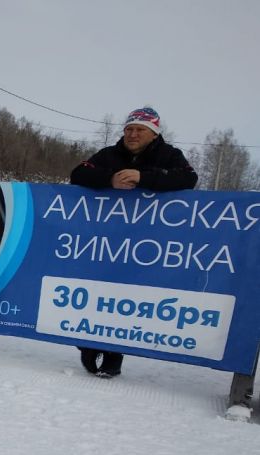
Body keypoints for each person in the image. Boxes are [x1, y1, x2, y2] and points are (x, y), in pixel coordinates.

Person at [70, 106, 198, 378]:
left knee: (125, 298)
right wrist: (109, 179)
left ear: (154, 133)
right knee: (92, 293)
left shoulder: (169, 155)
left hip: (145, 244)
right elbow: (78, 174)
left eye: (140, 129)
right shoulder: (109, 154)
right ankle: (87, 345)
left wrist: (144, 178)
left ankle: (114, 355)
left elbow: (188, 179)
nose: (132, 134)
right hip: (103, 240)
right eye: (128, 128)